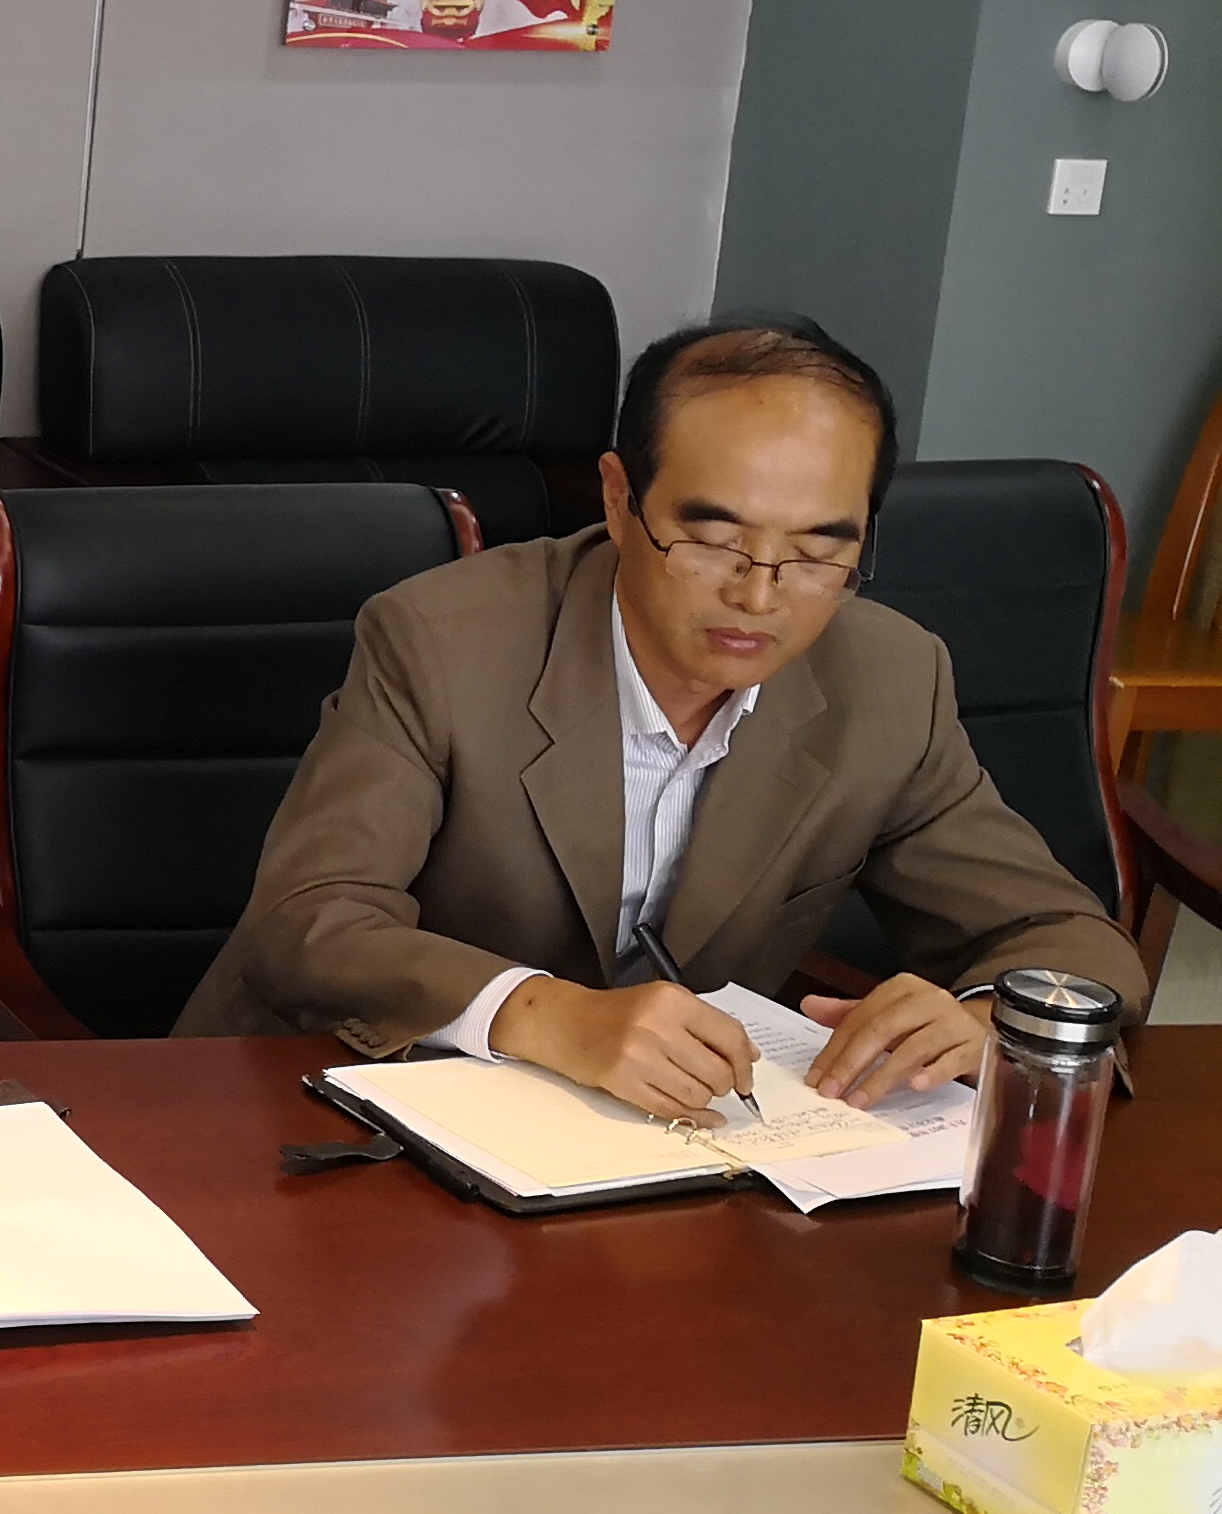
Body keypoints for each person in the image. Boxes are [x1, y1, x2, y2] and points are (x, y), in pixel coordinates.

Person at [182, 317, 1146, 1118]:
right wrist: (543, 1013)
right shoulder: (441, 640)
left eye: (818, 553)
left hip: (664, 1147)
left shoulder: (890, 677)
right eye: (714, 538)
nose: (759, 596)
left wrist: (987, 1018)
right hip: (343, 1106)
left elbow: (1063, 933)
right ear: (618, 498)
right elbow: (311, 920)